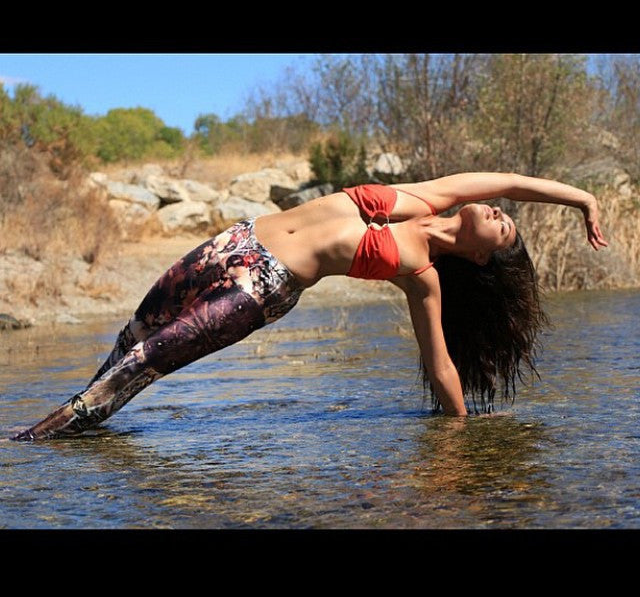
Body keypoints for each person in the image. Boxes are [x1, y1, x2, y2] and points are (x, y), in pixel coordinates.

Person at [11, 172, 608, 441]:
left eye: (504, 234)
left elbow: (440, 362)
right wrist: (582, 199)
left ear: (481, 259)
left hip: (265, 286)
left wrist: (460, 426)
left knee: (148, 358)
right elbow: (518, 181)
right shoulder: (433, 195)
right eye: (503, 215)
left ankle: (33, 439)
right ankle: (76, 425)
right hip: (237, 241)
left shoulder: (421, 275)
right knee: (136, 330)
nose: (503, 216)